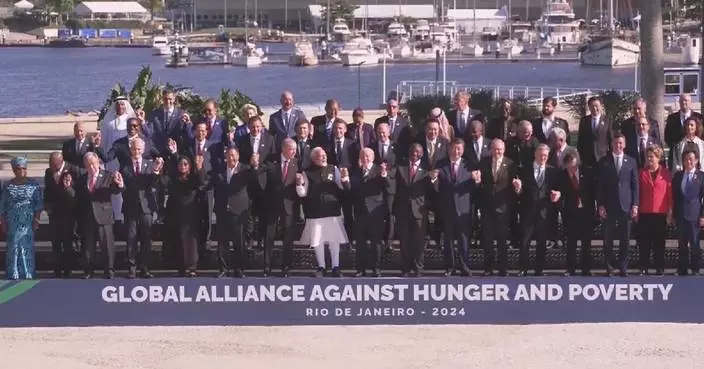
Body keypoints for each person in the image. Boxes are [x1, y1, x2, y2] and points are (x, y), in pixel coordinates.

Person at [297, 147, 349, 277]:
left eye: (325, 155)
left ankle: (336, 267)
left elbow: (341, 186)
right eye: (321, 156)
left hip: (332, 210)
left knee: (334, 240)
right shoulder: (307, 172)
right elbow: (302, 193)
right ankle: (321, 267)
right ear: (314, 158)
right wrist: (299, 185)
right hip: (315, 211)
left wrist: (345, 179)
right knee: (318, 240)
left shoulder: (333, 169)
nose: (324, 157)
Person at [432, 139, 480, 276]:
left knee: (463, 240)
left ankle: (464, 267)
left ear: (463, 150)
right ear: (449, 149)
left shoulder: (469, 165)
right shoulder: (441, 164)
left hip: (463, 209)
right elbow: (436, 188)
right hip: (447, 209)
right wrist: (433, 179)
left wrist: (477, 182)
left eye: (459, 149)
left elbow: (474, 189)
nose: (456, 151)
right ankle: (449, 267)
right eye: (454, 148)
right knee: (448, 240)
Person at [342, 148, 391, 277]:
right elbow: (349, 191)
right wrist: (345, 180)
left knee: (376, 244)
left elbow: (388, 185)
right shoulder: (355, 171)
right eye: (363, 156)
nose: (365, 158)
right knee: (360, 244)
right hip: (359, 213)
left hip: (375, 213)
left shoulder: (378, 170)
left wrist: (384, 174)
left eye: (368, 156)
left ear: (373, 157)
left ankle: (376, 269)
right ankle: (360, 269)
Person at [596, 133, 639, 277]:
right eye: (616, 143)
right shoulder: (604, 162)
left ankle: (623, 267)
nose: (618, 145)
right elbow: (600, 186)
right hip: (609, 206)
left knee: (625, 239)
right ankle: (609, 267)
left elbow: (635, 185)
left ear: (624, 144)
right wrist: (600, 205)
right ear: (612, 144)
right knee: (608, 239)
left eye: (621, 143)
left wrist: (635, 205)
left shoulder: (631, 161)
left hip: (626, 206)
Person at [77, 152, 125, 279]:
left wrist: (119, 184)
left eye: (93, 164)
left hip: (104, 215)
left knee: (107, 245)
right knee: (88, 247)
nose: (91, 167)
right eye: (88, 165)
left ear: (98, 162)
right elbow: (78, 197)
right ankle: (88, 271)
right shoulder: (82, 178)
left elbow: (115, 190)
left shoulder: (107, 176)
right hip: (88, 217)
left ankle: (109, 270)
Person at [158, 155, 207, 277]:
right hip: (176, 215)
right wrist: (159, 169)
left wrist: (200, 167)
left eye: (186, 164)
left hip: (191, 215)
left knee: (191, 242)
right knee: (178, 242)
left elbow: (201, 181)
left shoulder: (193, 178)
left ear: (190, 167)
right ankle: (181, 266)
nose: (183, 166)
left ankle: (192, 267)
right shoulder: (174, 179)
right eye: (181, 164)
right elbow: (163, 182)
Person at [0, 157, 43, 280]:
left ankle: (27, 273)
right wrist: (2, 221)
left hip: (27, 222)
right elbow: (2, 205)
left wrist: (36, 220)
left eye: (24, 168)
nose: (22, 171)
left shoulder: (33, 184)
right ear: (14, 170)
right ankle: (13, 273)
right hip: (12, 222)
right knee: (13, 247)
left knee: (26, 247)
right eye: (19, 169)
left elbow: (38, 204)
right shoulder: (8, 185)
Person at [98, 96, 135, 222]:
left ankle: (126, 214)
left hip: (126, 160)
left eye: (123, 104)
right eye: (118, 105)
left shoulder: (131, 121)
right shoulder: (108, 122)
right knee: (114, 187)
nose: (121, 107)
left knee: (126, 187)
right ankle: (116, 215)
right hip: (112, 158)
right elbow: (103, 141)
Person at [637, 145, 672, 276]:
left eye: (652, 156)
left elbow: (669, 193)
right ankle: (643, 267)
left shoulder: (666, 173)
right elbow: (638, 193)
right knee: (644, 242)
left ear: (658, 158)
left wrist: (670, 210)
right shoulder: (641, 173)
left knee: (659, 242)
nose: (649, 159)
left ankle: (659, 267)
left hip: (660, 213)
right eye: (648, 156)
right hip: (645, 213)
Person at [43, 152, 79, 278]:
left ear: (60, 161)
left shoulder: (73, 170)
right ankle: (57, 270)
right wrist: (47, 206)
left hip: (69, 214)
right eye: (50, 164)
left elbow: (77, 193)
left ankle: (68, 270)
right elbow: (47, 190)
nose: (51, 166)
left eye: (53, 164)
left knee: (68, 243)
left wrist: (68, 188)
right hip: (54, 214)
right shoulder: (48, 172)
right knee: (56, 243)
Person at [560, 152, 595, 276]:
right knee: (571, 243)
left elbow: (592, 192)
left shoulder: (586, 173)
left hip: (585, 213)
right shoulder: (562, 176)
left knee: (586, 243)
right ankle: (571, 269)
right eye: (570, 166)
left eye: (574, 166)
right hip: (571, 214)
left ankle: (586, 269)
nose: (572, 169)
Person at [672, 149, 704, 276]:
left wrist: (702, 215)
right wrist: (673, 214)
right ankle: (682, 269)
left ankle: (695, 268)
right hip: (680, 215)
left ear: (696, 160)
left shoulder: (701, 176)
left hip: (694, 215)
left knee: (695, 244)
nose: (688, 162)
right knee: (682, 244)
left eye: (691, 159)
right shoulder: (678, 176)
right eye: (686, 159)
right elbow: (675, 196)